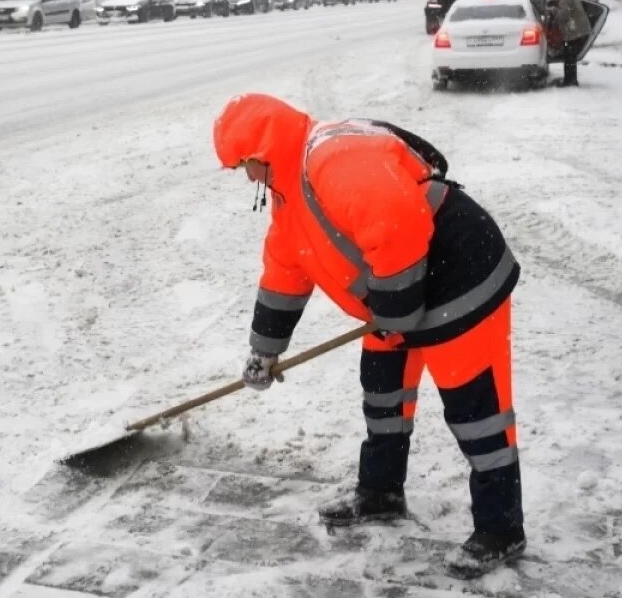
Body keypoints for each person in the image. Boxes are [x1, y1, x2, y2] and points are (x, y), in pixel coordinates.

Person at [213, 93, 525, 579]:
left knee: (475, 411)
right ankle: (380, 492)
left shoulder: (330, 159)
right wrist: (264, 350)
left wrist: (395, 314)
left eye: (246, 165)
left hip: (459, 279)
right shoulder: (290, 191)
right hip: (398, 296)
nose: (247, 177)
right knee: (382, 387)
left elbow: (398, 223)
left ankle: (501, 529)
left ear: (265, 151)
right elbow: (284, 268)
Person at [550, 0, 591, 87]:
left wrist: (554, 11)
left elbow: (564, 15)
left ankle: (570, 81)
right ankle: (570, 80)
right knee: (570, 57)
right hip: (577, 31)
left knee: (569, 57)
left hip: (574, 32)